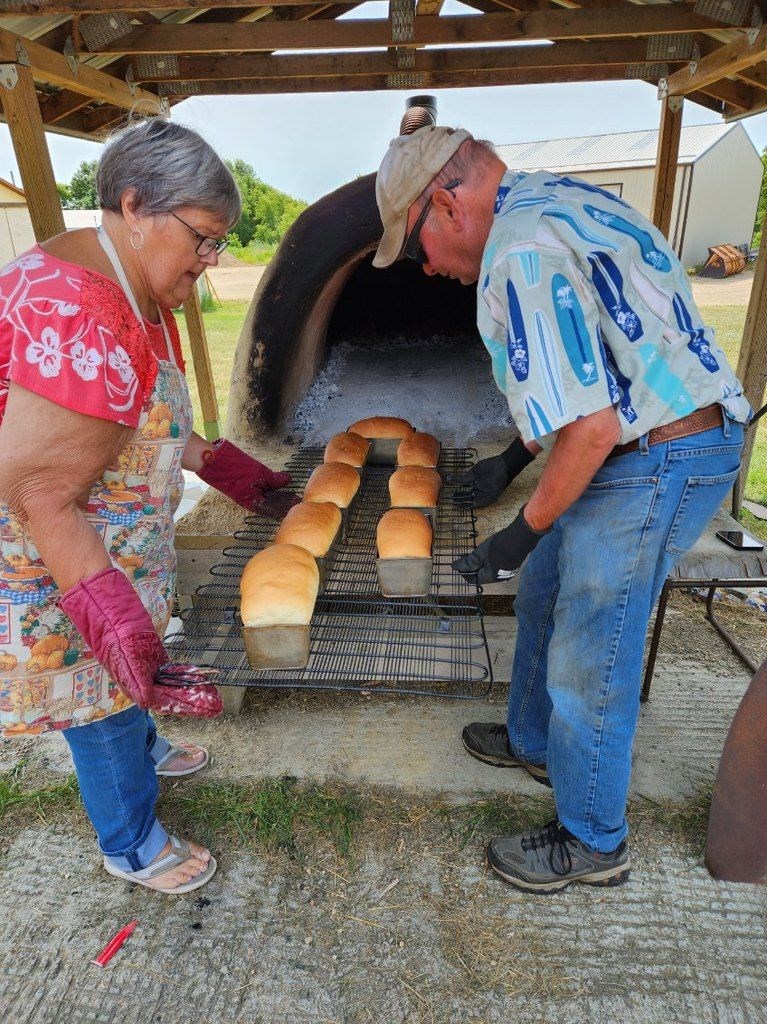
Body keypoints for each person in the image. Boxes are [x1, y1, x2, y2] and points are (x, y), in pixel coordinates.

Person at [373, 125, 750, 894]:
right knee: (546, 587)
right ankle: (535, 742)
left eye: (418, 250)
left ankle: (591, 839)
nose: (430, 270)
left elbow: (591, 426)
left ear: (445, 204)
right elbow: (587, 367)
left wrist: (519, 529)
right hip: (650, 435)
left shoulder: (517, 253)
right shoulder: (551, 199)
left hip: (658, 452)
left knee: (593, 645)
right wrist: (513, 461)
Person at [0, 119, 295, 894]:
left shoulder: (130, 287)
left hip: (115, 542)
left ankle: (145, 741)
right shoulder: (79, 310)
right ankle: (130, 842)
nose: (213, 259)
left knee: (122, 681)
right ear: (135, 206)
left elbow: (159, 421)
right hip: (60, 564)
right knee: (94, 696)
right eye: (202, 239)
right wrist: (126, 639)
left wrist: (244, 479)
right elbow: (38, 492)